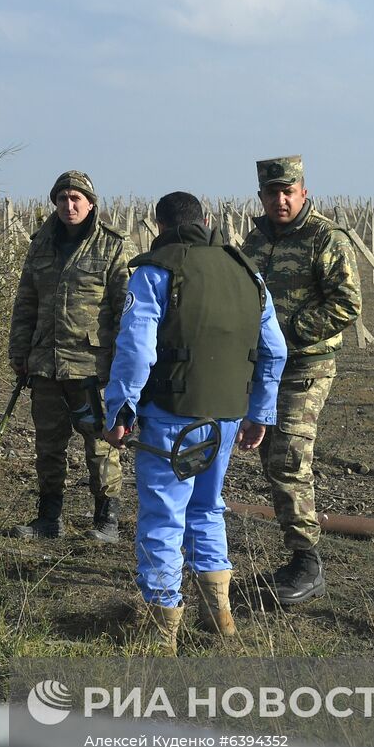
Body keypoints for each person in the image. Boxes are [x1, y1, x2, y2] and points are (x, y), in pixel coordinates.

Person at [104, 192, 286, 655]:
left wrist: (120, 409)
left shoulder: (154, 271)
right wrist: (260, 412)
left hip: (171, 416)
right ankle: (219, 614)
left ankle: (160, 626)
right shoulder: (249, 273)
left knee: (163, 516)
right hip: (227, 416)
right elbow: (275, 351)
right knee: (208, 507)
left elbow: (137, 349)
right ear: (206, 221)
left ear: (159, 226)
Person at [238, 156, 362, 606]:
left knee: (289, 456)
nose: (280, 199)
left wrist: (284, 331)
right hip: (263, 369)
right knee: (271, 457)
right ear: (262, 197)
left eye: (288, 191)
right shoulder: (253, 243)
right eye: (272, 193)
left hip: (306, 366)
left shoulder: (325, 238)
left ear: (303, 192)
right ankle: (296, 557)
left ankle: (308, 564)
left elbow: (346, 305)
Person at [7, 171, 134, 543]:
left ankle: (106, 519)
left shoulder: (111, 246)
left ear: (91, 203)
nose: (69, 205)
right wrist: (19, 350)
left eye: (76, 198)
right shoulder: (41, 244)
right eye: (62, 198)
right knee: (48, 445)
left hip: (92, 366)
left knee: (100, 443)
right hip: (45, 362)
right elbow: (25, 301)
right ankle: (49, 517)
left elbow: (125, 308)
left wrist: (122, 363)